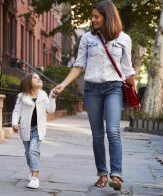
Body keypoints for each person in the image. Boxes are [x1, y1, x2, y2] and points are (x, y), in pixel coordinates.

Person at [52, 0, 136, 191]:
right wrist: (63, 85)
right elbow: (79, 65)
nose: (93, 20)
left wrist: (134, 96)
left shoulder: (124, 39)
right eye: (93, 16)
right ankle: (102, 174)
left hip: (114, 88)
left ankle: (116, 175)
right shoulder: (88, 39)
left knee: (113, 131)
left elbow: (128, 70)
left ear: (108, 17)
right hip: (92, 90)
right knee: (97, 135)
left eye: (96, 17)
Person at [12, 73, 57, 189]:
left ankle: (34, 177)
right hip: (26, 130)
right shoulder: (22, 96)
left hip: (38, 130)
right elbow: (16, 111)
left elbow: (50, 110)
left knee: (33, 151)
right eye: (35, 77)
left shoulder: (43, 95)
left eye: (39, 77)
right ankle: (32, 169)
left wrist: (52, 97)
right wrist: (15, 123)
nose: (38, 78)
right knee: (28, 153)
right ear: (28, 82)